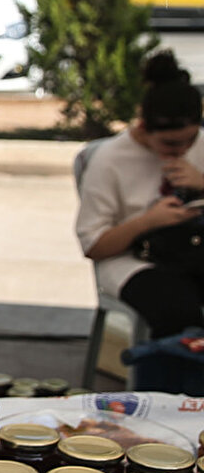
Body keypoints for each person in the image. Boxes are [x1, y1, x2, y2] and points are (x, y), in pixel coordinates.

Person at [76, 49, 204, 339]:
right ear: (144, 127)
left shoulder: (200, 145)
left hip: (191, 248)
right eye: (171, 144)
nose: (182, 150)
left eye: (190, 140)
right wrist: (148, 222)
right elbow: (93, 245)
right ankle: (174, 382)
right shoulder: (110, 160)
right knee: (177, 311)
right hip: (130, 260)